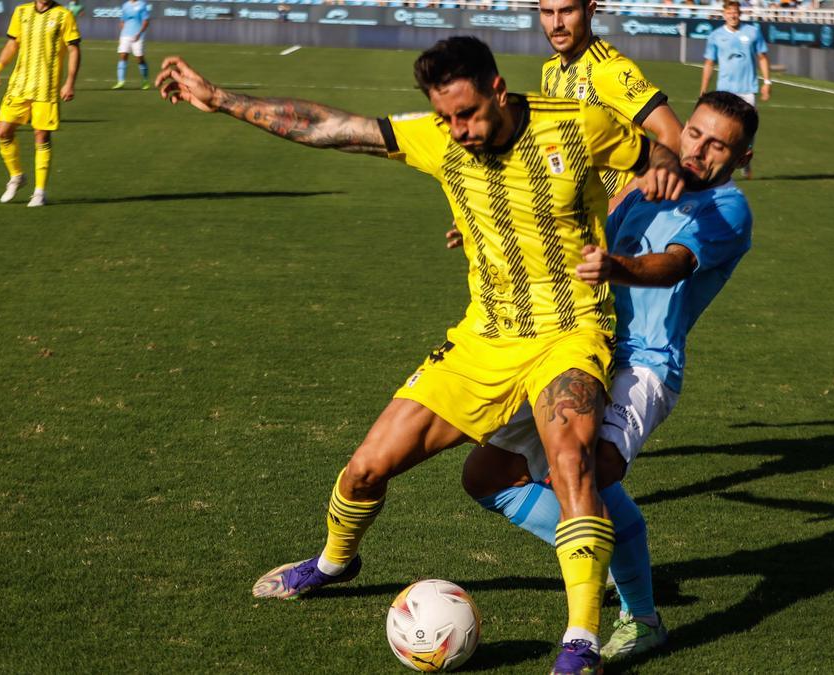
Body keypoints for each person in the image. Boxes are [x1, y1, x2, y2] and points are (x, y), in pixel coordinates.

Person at [154, 36, 686, 675]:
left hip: (570, 331)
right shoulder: (436, 136)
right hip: (482, 339)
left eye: (467, 113)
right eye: (445, 117)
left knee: (571, 465)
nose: (457, 130)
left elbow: (654, 144)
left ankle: (581, 644)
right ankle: (334, 562)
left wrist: (662, 159)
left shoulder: (577, 124)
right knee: (364, 471)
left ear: (496, 88)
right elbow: (331, 127)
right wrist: (220, 99)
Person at [460, 91, 756, 664]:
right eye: (695, 134)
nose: (700, 150)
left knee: (585, 469)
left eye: (720, 145)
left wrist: (616, 266)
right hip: (581, 346)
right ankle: (609, 568)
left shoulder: (728, 208)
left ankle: (639, 614)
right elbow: (574, 234)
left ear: (742, 158)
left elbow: (672, 264)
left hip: (644, 364)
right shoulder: (642, 189)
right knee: (486, 475)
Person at [537, 0, 683, 199]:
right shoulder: (550, 70)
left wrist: (619, 203)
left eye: (567, 11)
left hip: (614, 221)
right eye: (547, 12)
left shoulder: (609, 68)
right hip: (580, 214)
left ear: (589, 11)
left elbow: (673, 134)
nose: (556, 24)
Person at [0, 0, 81, 207]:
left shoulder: (63, 15)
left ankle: (39, 192)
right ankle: (17, 176)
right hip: (19, 86)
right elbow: (13, 43)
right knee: (2, 132)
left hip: (46, 89)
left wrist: (69, 82)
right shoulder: (21, 12)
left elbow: (73, 49)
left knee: (41, 135)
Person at [699, 0, 770, 177]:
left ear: (740, 13)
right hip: (725, 91)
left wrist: (767, 82)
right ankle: (721, 164)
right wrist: (704, 88)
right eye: (729, 12)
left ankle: (745, 160)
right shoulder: (715, 36)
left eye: (736, 12)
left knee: (749, 129)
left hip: (747, 90)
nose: (733, 15)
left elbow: (762, 57)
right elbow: (709, 63)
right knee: (723, 129)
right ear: (724, 14)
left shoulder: (753, 32)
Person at [114, 0, 150, 90]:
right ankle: (120, 82)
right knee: (123, 55)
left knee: (139, 58)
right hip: (125, 35)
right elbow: (122, 21)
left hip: (138, 35)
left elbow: (146, 21)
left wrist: (139, 33)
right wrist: (123, 33)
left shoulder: (142, 4)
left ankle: (145, 81)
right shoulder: (125, 5)